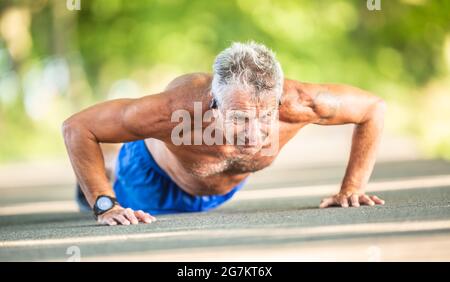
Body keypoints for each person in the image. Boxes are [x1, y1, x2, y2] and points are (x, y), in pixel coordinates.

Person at [62, 42, 386, 226]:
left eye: (264, 117)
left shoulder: (303, 103)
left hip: (218, 190)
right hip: (150, 181)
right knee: (101, 180)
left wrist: (352, 187)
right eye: (240, 118)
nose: (253, 134)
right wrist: (105, 205)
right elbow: (78, 127)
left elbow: (373, 108)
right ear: (214, 102)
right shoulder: (173, 110)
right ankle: (102, 170)